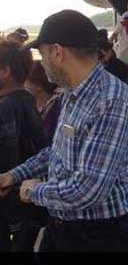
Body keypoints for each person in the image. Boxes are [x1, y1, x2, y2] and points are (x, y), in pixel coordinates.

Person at [0, 10, 128, 252]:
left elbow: (87, 189)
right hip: (63, 225)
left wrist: (32, 191)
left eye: (41, 54)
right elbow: (57, 152)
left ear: (57, 51)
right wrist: (14, 175)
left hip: (100, 238)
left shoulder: (111, 101)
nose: (41, 63)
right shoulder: (71, 93)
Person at [0, 40, 47, 252]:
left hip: (9, 209)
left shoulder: (6, 107)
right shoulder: (28, 100)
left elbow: (8, 157)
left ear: (5, 71)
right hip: (28, 209)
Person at [25, 61, 62, 145]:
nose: (24, 86)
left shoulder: (57, 108)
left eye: (26, 82)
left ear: (39, 86)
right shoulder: (33, 105)